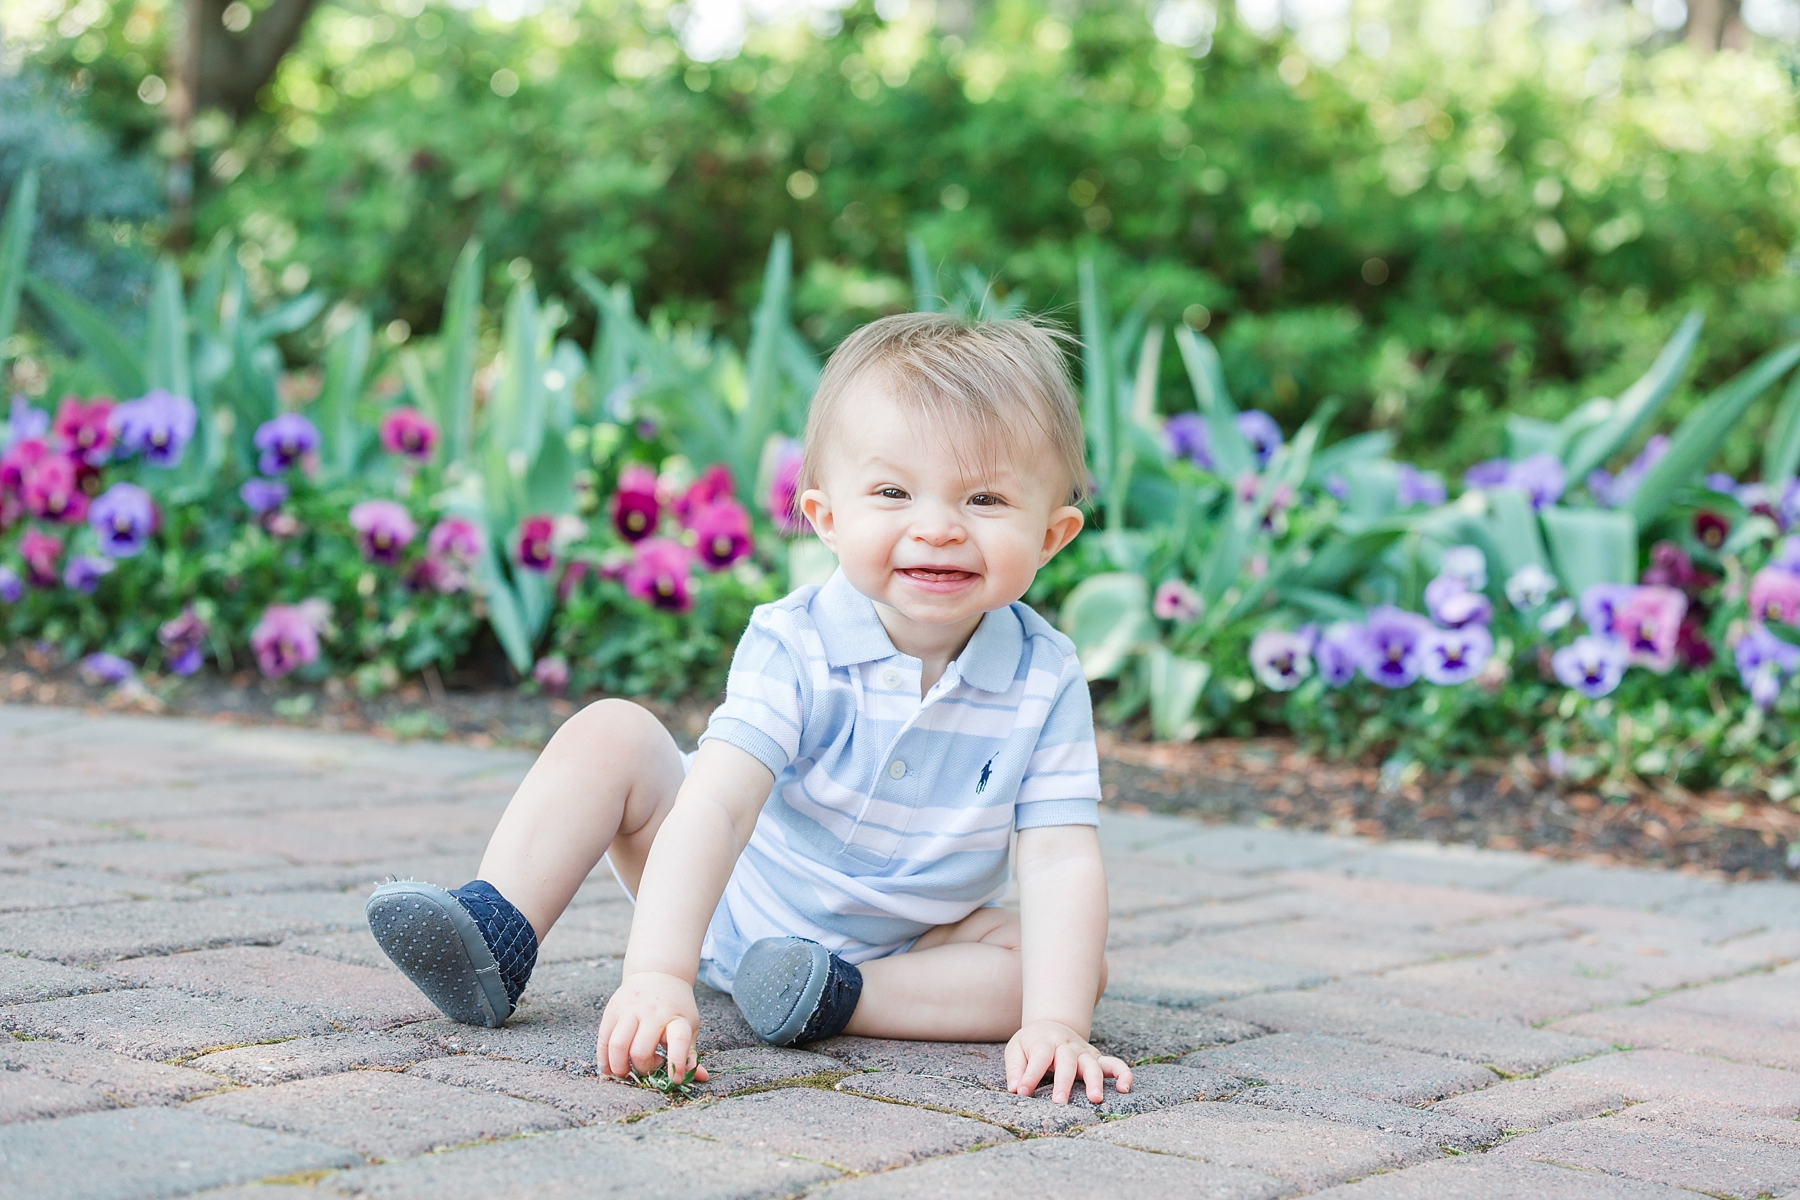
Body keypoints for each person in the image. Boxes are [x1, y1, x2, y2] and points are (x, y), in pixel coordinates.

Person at [366, 312, 1131, 1105]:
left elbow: (1058, 858)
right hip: (727, 894)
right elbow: (719, 809)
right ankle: (494, 933)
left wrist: (1056, 1021)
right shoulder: (796, 641)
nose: (937, 527)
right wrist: (659, 973)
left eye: (985, 498)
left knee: (1065, 966)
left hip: (908, 950)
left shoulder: (1046, 678)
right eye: (894, 491)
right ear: (828, 518)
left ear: (1052, 535)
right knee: (613, 734)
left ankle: (830, 997)